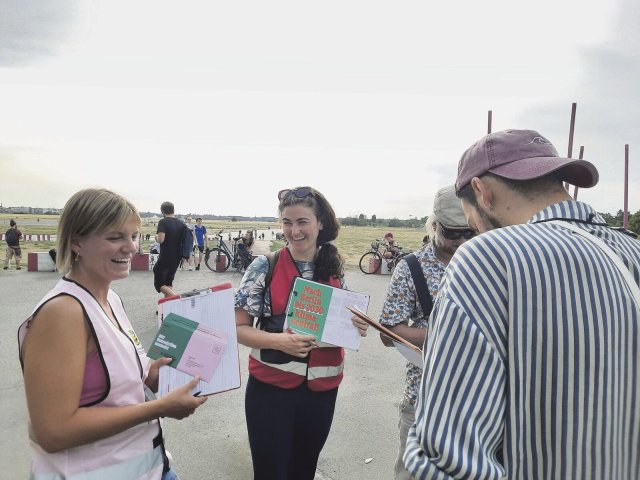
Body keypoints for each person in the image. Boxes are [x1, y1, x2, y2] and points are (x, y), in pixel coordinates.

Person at [404, 129, 640, 479]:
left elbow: (448, 460)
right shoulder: (632, 252)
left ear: (482, 193)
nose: (471, 234)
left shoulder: (487, 258)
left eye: (470, 224)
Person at [17, 188, 207, 480]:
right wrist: (159, 408)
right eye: (114, 237)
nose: (130, 247)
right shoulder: (63, 312)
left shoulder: (110, 299)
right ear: (77, 242)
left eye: (133, 236)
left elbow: (113, 379)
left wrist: (150, 374)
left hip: (152, 468)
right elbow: (52, 432)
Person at [234, 186, 369, 480]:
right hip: (271, 390)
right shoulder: (264, 265)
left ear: (320, 223)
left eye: (302, 222)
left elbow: (342, 318)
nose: (293, 230)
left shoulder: (334, 264)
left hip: (322, 390)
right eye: (286, 222)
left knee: (303, 470)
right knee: (271, 473)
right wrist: (279, 341)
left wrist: (356, 325)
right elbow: (237, 328)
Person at [379, 186, 474, 480]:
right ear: (433, 226)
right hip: (423, 398)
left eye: (468, 233)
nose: (460, 241)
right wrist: (445, 333)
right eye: (451, 232)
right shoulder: (411, 268)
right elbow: (387, 331)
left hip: (477, 401)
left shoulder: (487, 262)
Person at [154, 201, 184, 298]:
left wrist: (156, 238)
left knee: (159, 282)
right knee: (168, 281)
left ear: (162, 211)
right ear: (173, 210)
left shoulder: (163, 222)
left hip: (166, 255)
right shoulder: (181, 223)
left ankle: (177, 300)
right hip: (177, 255)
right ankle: (168, 308)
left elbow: (161, 240)